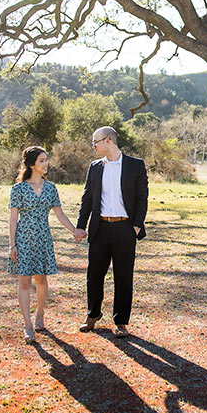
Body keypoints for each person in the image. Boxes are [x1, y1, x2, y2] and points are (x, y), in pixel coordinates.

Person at [76, 126, 148, 337]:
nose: (93, 146)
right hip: (100, 228)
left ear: (108, 141)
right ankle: (93, 314)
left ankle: (121, 321)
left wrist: (136, 226)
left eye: (95, 142)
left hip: (125, 228)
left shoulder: (135, 165)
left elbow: (142, 198)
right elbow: (87, 198)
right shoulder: (95, 167)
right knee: (94, 275)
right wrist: (81, 225)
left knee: (123, 276)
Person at [8, 145, 85, 343]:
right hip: (23, 238)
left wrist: (74, 230)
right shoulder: (18, 189)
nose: (46, 164)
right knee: (24, 281)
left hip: (43, 238)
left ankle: (40, 315)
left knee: (41, 279)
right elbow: (13, 218)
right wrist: (12, 245)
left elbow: (59, 213)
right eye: (42, 160)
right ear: (32, 164)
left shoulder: (50, 187)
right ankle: (27, 325)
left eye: (46, 160)